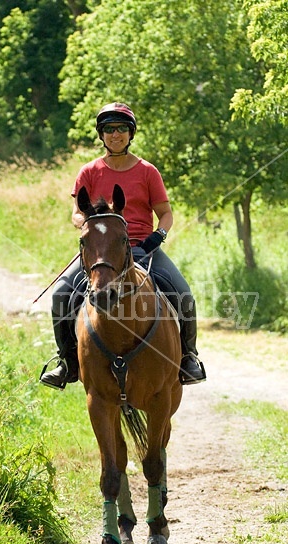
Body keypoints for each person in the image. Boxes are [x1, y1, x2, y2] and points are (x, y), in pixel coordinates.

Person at [40, 102, 206, 390]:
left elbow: (165, 213)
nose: (115, 135)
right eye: (108, 129)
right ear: (101, 135)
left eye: (120, 129)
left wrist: (159, 235)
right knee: (60, 295)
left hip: (143, 248)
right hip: (99, 251)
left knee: (183, 293)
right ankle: (66, 361)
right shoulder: (89, 171)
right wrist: (85, 224)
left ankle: (188, 357)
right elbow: (76, 211)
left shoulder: (147, 171)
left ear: (130, 134)